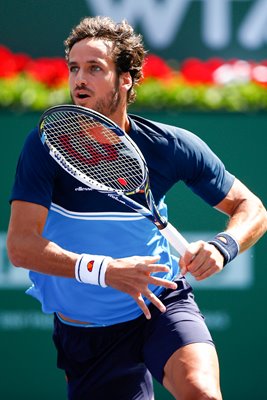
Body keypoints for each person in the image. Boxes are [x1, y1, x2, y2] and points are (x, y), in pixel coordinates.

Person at [7, 16, 267, 400]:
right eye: (74, 68)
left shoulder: (170, 146)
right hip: (87, 332)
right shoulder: (45, 147)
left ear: (126, 79)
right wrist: (106, 271)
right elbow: (21, 246)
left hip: (160, 301)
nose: (79, 78)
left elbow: (252, 208)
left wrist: (222, 246)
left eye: (95, 68)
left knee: (202, 392)